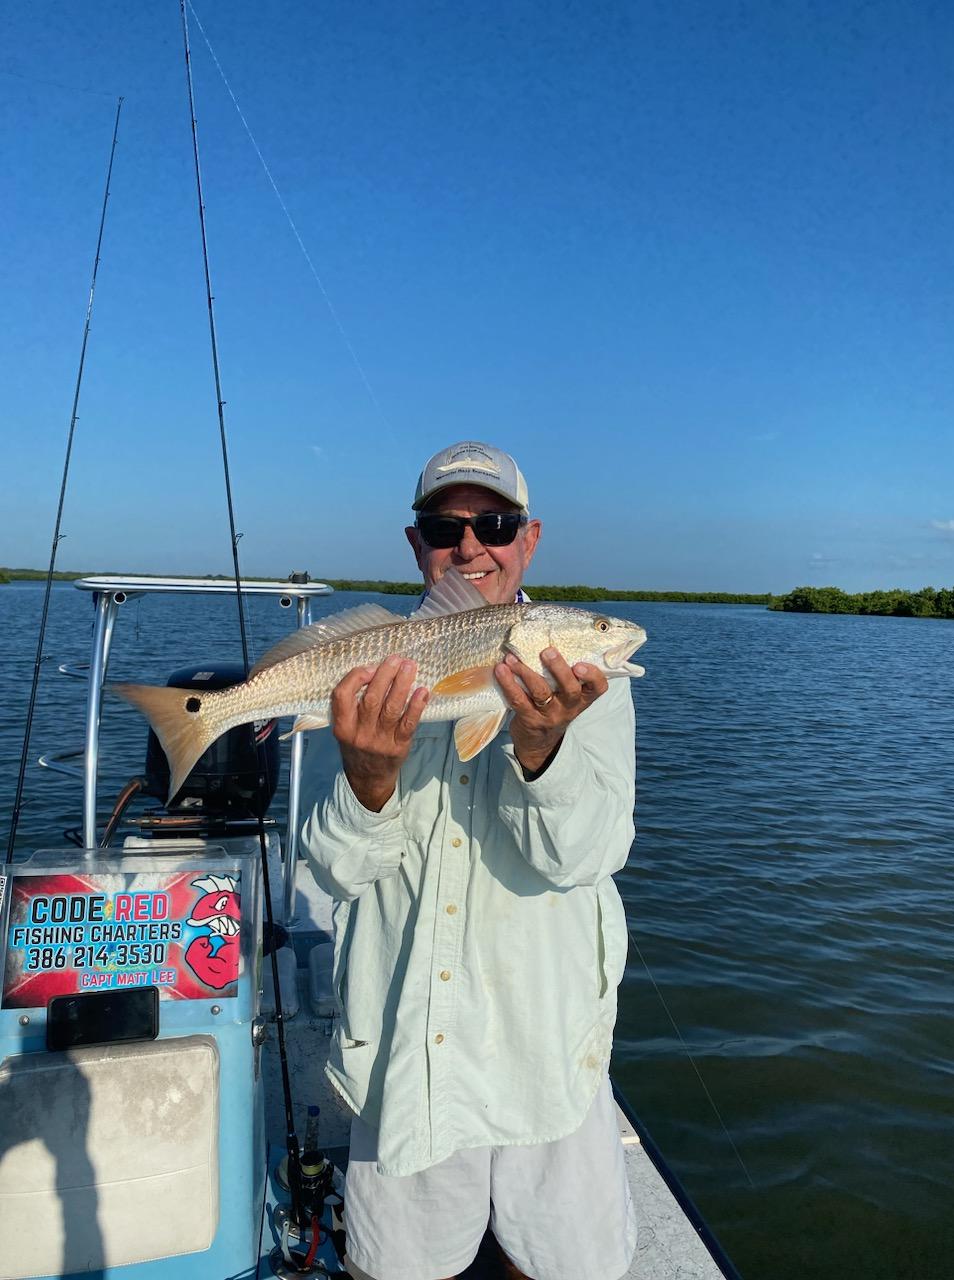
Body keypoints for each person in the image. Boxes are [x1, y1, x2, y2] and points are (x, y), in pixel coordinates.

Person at [300, 441, 638, 1280]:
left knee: (561, 1262)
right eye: (443, 527)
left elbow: (589, 854)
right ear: (416, 545)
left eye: (495, 522)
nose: (471, 545)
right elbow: (326, 873)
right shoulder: (362, 678)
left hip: (544, 1043)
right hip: (405, 1046)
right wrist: (369, 778)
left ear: (530, 539)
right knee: (398, 1268)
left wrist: (542, 746)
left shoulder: (590, 682)